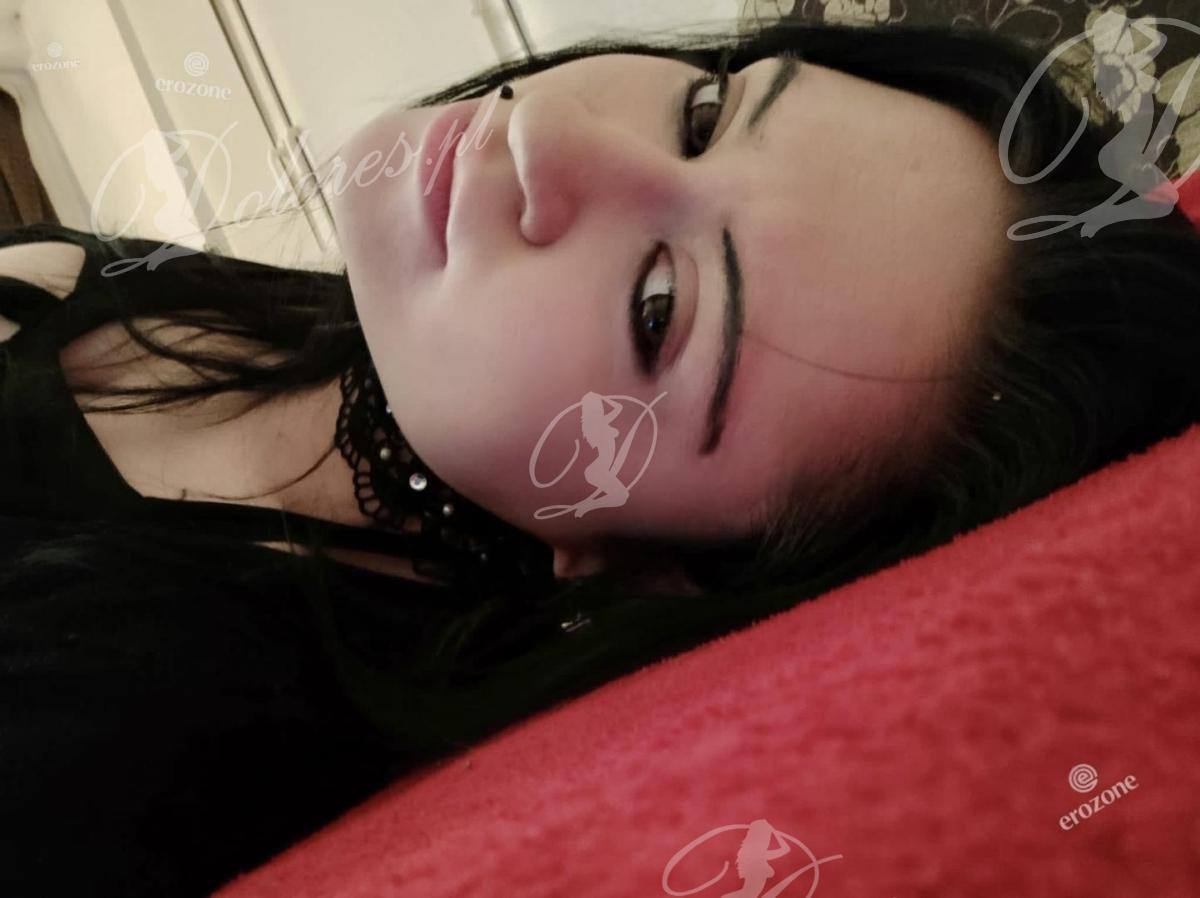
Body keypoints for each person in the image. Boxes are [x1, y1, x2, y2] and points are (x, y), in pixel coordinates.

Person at [2, 17, 1199, 898]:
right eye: (706, 112)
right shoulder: (230, 323)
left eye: (656, 306)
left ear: (639, 568)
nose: (554, 134)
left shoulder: (106, 730)